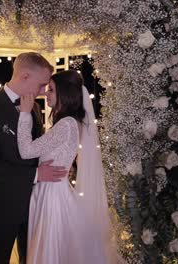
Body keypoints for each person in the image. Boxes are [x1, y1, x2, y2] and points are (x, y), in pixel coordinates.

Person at [0, 52, 68, 264]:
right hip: (3, 203)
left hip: (34, 201)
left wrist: (59, 163)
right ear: (25, 76)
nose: (44, 91)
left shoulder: (32, 106)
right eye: (42, 84)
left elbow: (34, 147)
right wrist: (35, 174)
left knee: (30, 258)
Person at [18, 70, 118, 264]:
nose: (46, 94)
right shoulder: (70, 122)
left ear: (64, 93)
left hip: (52, 193)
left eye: (51, 90)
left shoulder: (66, 124)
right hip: (52, 188)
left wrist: (24, 114)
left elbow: (27, 151)